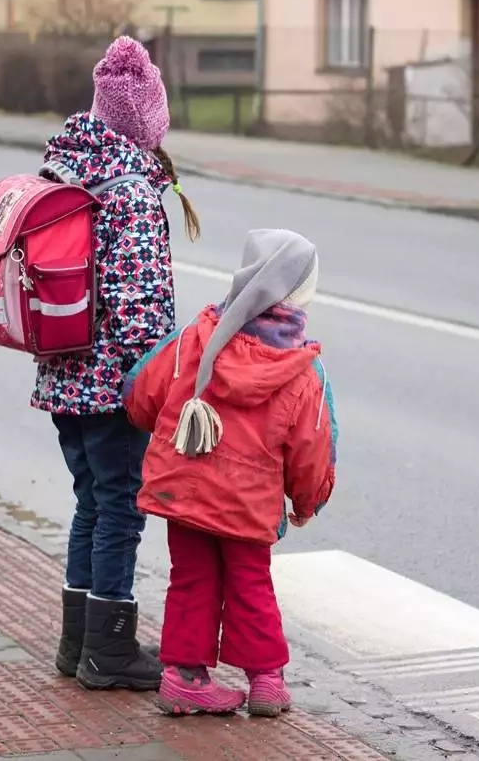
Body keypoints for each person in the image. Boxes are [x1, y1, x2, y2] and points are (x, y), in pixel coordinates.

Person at [37, 35, 200, 692]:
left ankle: (76, 642)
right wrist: (162, 380)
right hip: (111, 384)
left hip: (61, 374)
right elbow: (138, 303)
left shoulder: (70, 168)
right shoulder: (130, 189)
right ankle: (109, 650)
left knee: (90, 502)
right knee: (121, 510)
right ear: (146, 120)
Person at [123, 229, 338, 717]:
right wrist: (307, 502)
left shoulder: (195, 340)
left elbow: (143, 395)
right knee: (251, 584)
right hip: (249, 504)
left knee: (191, 579)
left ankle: (184, 677)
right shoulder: (302, 370)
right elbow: (311, 451)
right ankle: (265, 682)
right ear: (302, 292)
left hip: (186, 491)